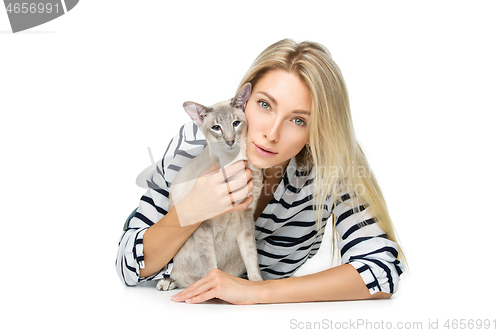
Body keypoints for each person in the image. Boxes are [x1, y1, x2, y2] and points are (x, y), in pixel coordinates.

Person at [115, 38, 406, 305]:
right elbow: (128, 264)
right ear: (244, 100)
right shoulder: (192, 148)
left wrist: (259, 291)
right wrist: (191, 210)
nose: (272, 133)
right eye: (265, 105)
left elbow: (381, 270)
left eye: (299, 121)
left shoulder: (330, 167)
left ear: (317, 129)